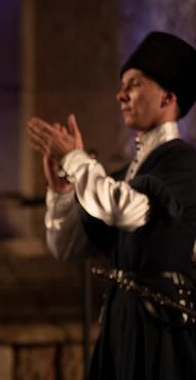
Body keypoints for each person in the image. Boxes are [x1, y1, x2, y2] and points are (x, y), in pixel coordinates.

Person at [27, 31, 196, 379]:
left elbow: (127, 210)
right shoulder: (123, 176)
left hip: (161, 332)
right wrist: (61, 191)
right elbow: (67, 247)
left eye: (134, 84)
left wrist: (75, 160)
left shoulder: (183, 164)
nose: (120, 95)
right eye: (122, 85)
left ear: (168, 97)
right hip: (121, 327)